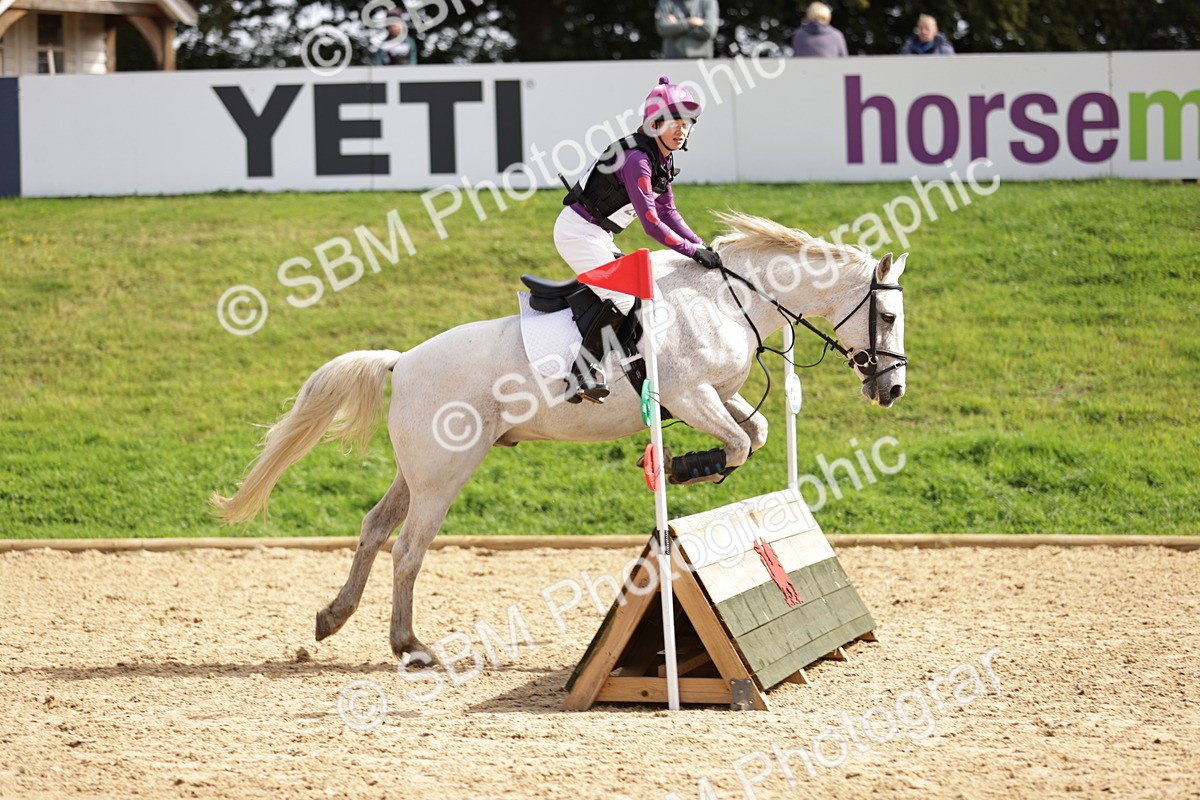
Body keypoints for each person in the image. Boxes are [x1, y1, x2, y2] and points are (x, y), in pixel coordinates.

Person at [555, 76, 722, 403]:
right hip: (577, 235)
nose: (682, 130)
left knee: (643, 297)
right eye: (675, 122)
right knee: (627, 300)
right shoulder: (638, 160)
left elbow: (669, 210)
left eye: (687, 124)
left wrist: (700, 244)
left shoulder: (663, 159)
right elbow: (652, 225)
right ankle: (580, 374)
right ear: (655, 123)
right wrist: (691, 251)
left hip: (598, 235)